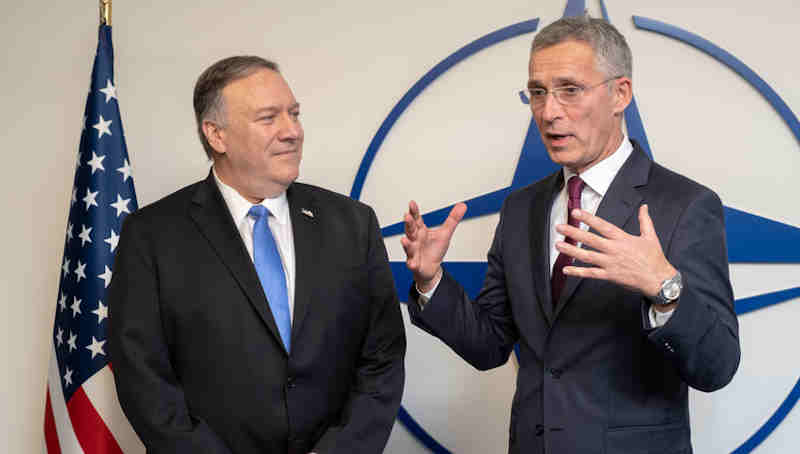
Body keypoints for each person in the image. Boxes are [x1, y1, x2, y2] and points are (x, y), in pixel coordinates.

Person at [401, 15, 740, 453]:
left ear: (621, 94)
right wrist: (432, 282)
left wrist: (664, 288)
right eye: (538, 93)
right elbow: (489, 345)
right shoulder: (522, 208)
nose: (549, 111)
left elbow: (718, 366)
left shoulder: (685, 205)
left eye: (570, 90)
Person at [108, 56, 405, 454]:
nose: (293, 131)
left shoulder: (352, 225)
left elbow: (382, 360)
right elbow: (143, 379)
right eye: (269, 118)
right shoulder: (152, 235)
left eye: (294, 114)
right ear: (216, 135)